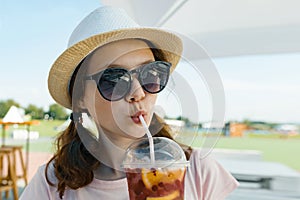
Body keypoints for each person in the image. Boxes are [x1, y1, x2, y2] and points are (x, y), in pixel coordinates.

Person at [20, 6, 238, 200]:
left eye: (151, 74)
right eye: (113, 79)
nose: (138, 93)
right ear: (81, 99)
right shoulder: (51, 185)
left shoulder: (198, 169)